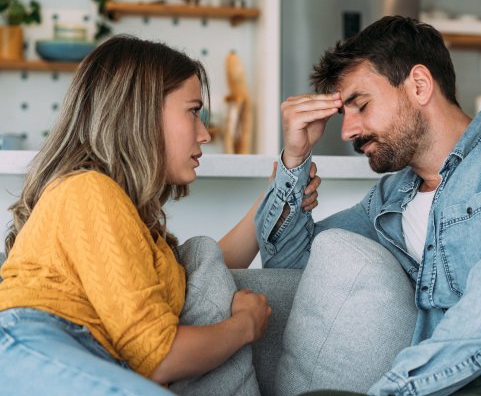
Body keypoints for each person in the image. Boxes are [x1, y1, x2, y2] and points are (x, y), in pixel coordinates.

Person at [255, 15, 481, 396]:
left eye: (361, 105)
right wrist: (295, 158)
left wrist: (394, 391)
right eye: (344, 114)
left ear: (419, 85)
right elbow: (290, 262)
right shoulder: (389, 201)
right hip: (458, 384)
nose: (347, 131)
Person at [0, 35, 321, 395]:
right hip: (34, 341)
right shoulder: (87, 190)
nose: (205, 133)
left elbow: (211, 264)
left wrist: (282, 187)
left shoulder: (134, 225)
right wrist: (245, 325)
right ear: (141, 112)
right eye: (194, 111)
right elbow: (158, 357)